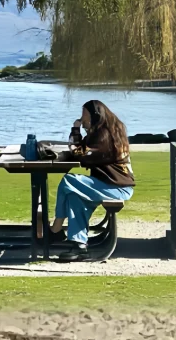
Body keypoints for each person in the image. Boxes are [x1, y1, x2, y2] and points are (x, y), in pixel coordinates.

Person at [50, 99, 134, 252]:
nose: (82, 121)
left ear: (95, 116)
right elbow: (80, 150)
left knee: (68, 181)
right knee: (74, 195)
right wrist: (77, 132)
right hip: (106, 183)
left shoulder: (104, 137)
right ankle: (79, 245)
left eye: (84, 117)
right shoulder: (100, 132)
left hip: (117, 187)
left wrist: (75, 130)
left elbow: (78, 154)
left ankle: (55, 230)